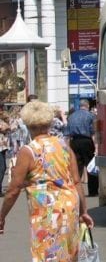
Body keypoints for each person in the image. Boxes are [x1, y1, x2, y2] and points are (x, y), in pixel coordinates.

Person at [0, 101, 94, 260]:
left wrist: (2, 216)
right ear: (50, 122)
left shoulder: (28, 151)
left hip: (46, 210)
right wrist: (84, 211)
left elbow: (13, 189)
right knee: (68, 254)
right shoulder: (64, 146)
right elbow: (76, 181)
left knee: (46, 253)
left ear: (28, 124)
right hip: (70, 206)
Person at [66, 99, 97, 196]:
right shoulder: (91, 115)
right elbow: (93, 132)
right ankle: (93, 191)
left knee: (76, 167)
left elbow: (67, 134)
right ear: (87, 106)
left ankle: (75, 190)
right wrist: (96, 146)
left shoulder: (71, 116)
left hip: (74, 141)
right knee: (90, 166)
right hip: (87, 141)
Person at [0, 108, 10, 196]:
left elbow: (9, 128)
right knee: (2, 168)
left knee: (3, 168)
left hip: (2, 147)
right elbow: (3, 128)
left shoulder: (3, 119)